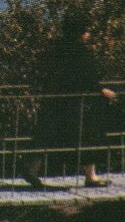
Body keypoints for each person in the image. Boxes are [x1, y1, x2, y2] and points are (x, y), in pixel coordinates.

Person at [25, 14, 117, 189]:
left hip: (56, 99)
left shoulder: (57, 48)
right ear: (81, 32)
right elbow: (87, 76)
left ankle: (31, 168)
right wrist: (100, 90)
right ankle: (90, 176)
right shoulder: (80, 51)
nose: (88, 34)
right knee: (90, 136)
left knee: (49, 135)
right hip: (78, 103)